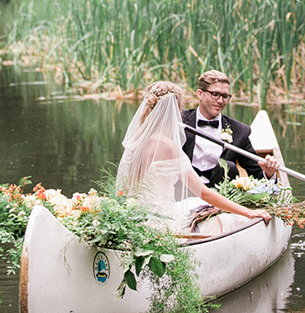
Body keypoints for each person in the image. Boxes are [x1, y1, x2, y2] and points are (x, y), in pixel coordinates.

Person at [116, 80, 271, 235]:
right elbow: (204, 193)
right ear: (174, 111)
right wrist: (248, 212)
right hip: (160, 220)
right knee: (228, 219)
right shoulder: (168, 146)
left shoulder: (135, 142)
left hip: (134, 216)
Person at [182, 69, 278, 187]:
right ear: (200, 94)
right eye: (215, 94)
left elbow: (257, 172)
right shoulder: (179, 121)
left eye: (225, 96)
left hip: (218, 195)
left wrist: (269, 174)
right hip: (182, 189)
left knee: (229, 166)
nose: (220, 101)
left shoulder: (239, 131)